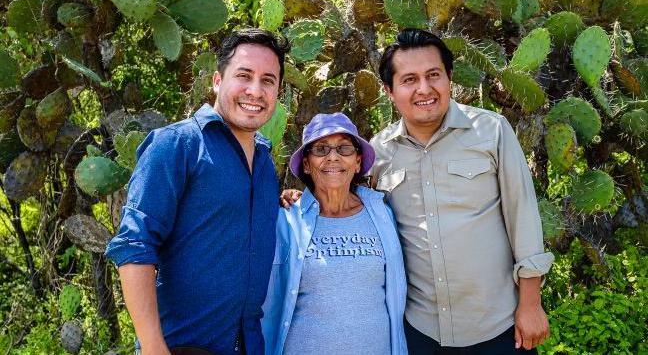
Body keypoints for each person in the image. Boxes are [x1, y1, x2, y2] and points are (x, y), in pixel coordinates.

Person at [281, 28, 554, 354]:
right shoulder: (380, 151)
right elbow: (348, 196)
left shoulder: (492, 131)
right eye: (409, 79)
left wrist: (531, 303)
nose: (424, 89)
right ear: (389, 90)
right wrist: (303, 200)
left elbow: (523, 216)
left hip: (498, 325)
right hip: (421, 331)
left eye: (433, 75)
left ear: (449, 78)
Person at [105, 28, 290, 355]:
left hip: (250, 345)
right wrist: (152, 347)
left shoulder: (264, 161)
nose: (255, 90)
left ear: (278, 91)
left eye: (268, 80)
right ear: (218, 81)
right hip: (181, 346)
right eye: (244, 76)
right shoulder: (176, 145)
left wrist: (284, 202)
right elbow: (134, 244)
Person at [262, 113, 408, 355]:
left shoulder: (383, 213)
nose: (333, 156)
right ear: (307, 164)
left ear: (358, 162)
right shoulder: (286, 220)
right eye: (320, 149)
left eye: (344, 148)